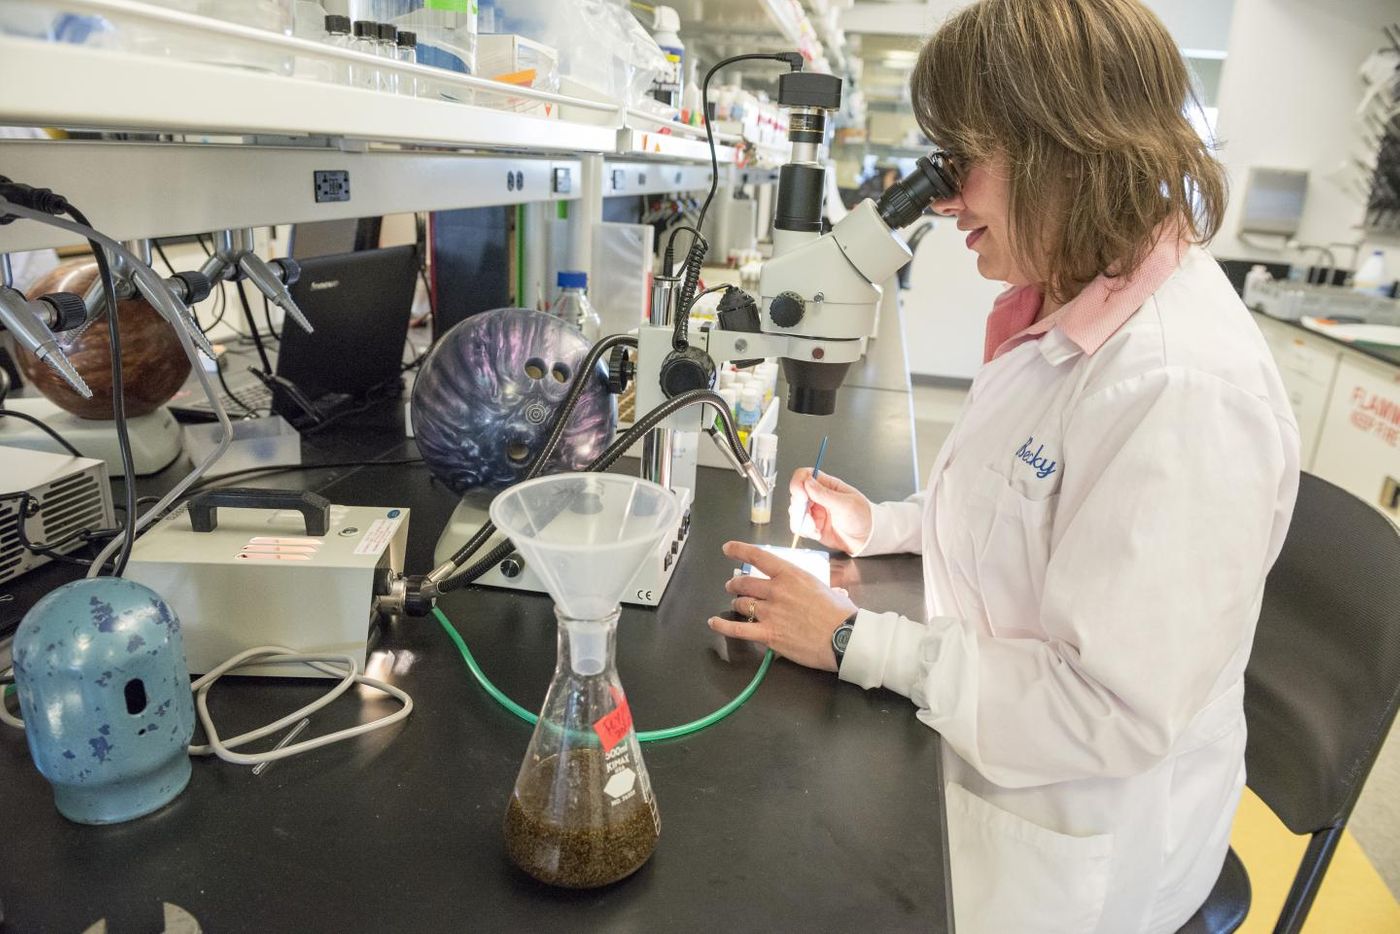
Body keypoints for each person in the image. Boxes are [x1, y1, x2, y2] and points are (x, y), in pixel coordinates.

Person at [707, 1, 1301, 931]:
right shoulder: (1068, 297)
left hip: (1068, 848)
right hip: (990, 758)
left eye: (962, 162)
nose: (941, 202)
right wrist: (889, 526)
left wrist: (854, 641)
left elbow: (1105, 711)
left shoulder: (1181, 389)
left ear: (1065, 147)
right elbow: (1025, 510)